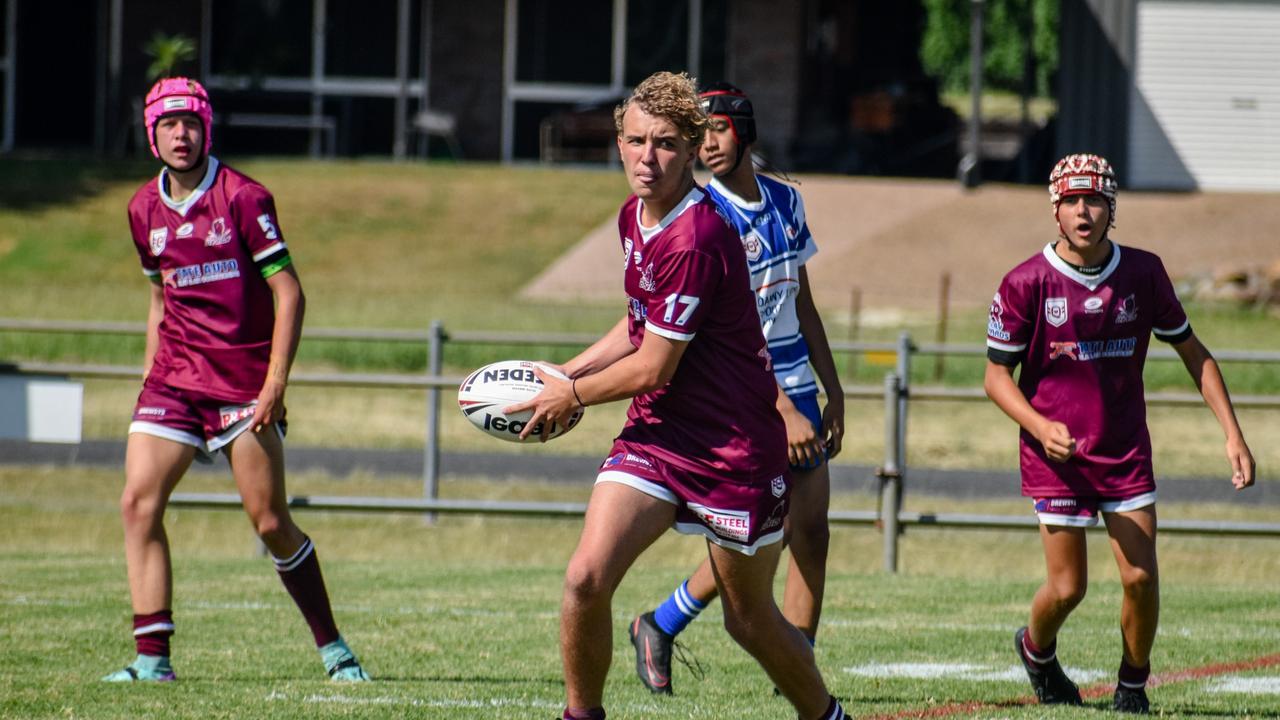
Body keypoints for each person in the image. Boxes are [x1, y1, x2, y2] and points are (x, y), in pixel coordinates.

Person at [508, 71, 846, 720]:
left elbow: (654, 365)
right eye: (634, 140)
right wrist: (561, 374)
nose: (646, 156)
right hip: (658, 439)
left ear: (692, 148)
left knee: (747, 623)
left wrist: (572, 394)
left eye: (664, 143)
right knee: (584, 578)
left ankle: (826, 715)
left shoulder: (698, 236)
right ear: (618, 143)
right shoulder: (633, 217)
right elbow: (639, 324)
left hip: (734, 450)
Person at [103, 77, 369, 683]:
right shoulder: (142, 209)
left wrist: (275, 384)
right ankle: (152, 660)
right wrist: (150, 374)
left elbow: (289, 293)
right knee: (137, 503)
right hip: (173, 381)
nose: (180, 134)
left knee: (270, 521)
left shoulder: (243, 197)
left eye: (190, 122)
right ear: (152, 135)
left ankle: (333, 648)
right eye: (168, 125)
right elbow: (158, 298)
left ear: (206, 128)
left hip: (241, 384)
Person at [984, 153, 1255, 714]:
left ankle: (1132, 685)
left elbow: (1194, 354)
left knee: (1140, 577)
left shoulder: (1143, 273)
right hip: (1056, 456)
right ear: (1055, 210)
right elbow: (994, 378)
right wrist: (1038, 425)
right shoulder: (1025, 282)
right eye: (1071, 201)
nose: (1083, 212)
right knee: (1067, 589)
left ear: (1112, 208)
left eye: (1095, 201)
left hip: (1124, 449)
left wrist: (1233, 434)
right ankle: (1036, 652)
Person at [627, 82, 845, 695]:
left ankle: (792, 666)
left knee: (811, 530)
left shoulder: (784, 200)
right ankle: (676, 627)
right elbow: (734, 331)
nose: (709, 144)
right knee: (756, 534)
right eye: (701, 134)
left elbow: (802, 300)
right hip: (746, 384)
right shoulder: (706, 214)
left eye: (718, 129)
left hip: (797, 379)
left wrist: (833, 391)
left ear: (743, 132)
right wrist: (780, 407)